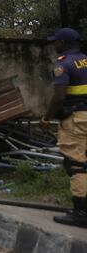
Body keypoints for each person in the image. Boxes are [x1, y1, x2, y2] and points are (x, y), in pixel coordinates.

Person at [42, 28, 87, 228]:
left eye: (56, 41)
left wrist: (47, 117)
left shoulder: (63, 64)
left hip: (76, 120)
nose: (54, 44)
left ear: (62, 43)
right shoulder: (85, 60)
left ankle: (81, 213)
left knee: (76, 164)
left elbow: (59, 96)